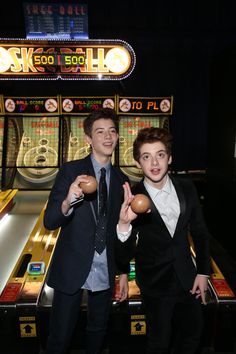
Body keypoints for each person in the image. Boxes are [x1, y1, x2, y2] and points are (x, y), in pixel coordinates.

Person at [117, 127, 211, 354]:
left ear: (170, 158)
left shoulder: (186, 187)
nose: (154, 162)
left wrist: (203, 272)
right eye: (146, 157)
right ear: (138, 163)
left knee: (192, 336)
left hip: (188, 279)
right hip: (154, 283)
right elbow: (123, 254)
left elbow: (199, 231)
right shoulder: (132, 197)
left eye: (160, 155)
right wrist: (124, 224)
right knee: (158, 342)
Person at [43, 107, 130, 354]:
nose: (108, 137)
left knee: (97, 332)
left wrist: (123, 271)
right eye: (100, 132)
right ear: (88, 139)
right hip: (72, 267)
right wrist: (68, 201)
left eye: (112, 131)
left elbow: (120, 230)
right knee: (60, 337)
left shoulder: (121, 179)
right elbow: (49, 221)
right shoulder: (71, 171)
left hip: (105, 265)